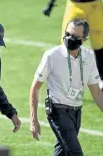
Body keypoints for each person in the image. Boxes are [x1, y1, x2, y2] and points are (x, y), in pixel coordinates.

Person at [29, 19, 103, 156]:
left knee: (62, 151)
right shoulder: (51, 56)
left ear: (84, 39)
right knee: (75, 153)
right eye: (67, 33)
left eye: (75, 37)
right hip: (57, 111)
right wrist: (34, 120)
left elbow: (96, 92)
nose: (69, 38)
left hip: (76, 112)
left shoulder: (89, 57)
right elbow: (35, 87)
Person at [43, 0, 103, 80]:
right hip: (76, 5)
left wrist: (52, 1)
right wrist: (51, 2)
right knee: (68, 45)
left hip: (94, 5)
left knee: (99, 45)